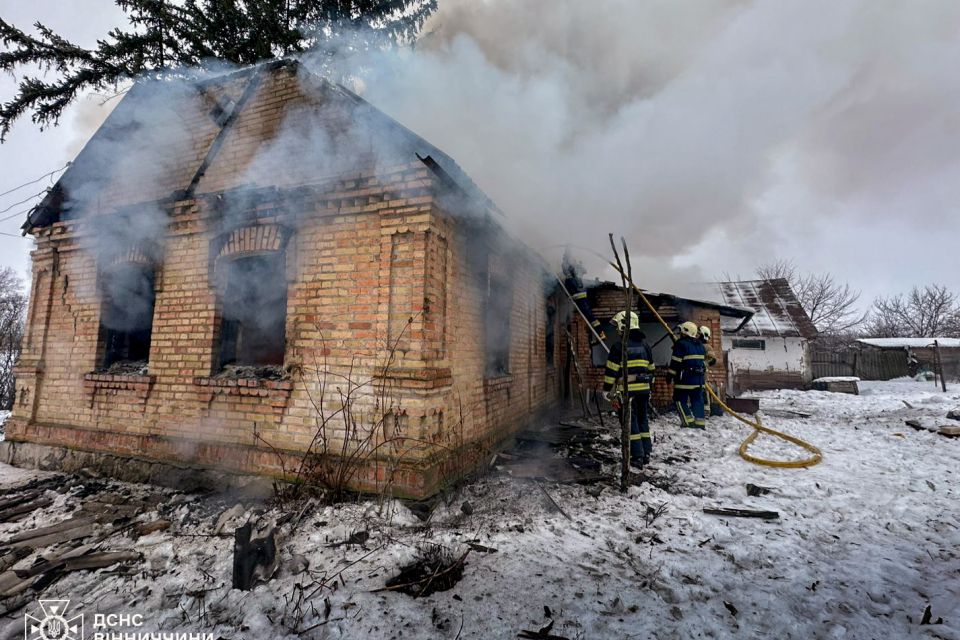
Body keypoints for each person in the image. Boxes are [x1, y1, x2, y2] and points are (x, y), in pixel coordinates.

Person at [603, 311, 656, 467]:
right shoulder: (645, 345)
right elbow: (652, 369)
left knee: (629, 423)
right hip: (644, 391)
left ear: (623, 325)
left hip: (628, 392)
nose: (617, 331)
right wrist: (649, 388)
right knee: (642, 421)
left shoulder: (619, 346)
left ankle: (636, 456)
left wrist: (606, 390)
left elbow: (611, 371)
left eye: (618, 327)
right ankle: (646, 453)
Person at [562, 251, 605, 345]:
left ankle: (600, 333)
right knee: (590, 316)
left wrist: (571, 297)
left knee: (589, 316)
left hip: (580, 299)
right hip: (582, 298)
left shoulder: (570, 278)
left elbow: (579, 272)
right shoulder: (575, 275)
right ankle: (600, 333)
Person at [670, 321, 707, 429]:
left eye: (681, 331)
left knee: (679, 399)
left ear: (685, 332)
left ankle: (687, 422)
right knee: (697, 401)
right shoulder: (700, 345)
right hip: (699, 380)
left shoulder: (680, 344)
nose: (680, 333)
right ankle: (700, 423)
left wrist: (670, 375)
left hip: (685, 380)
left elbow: (675, 362)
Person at [699, 325, 718, 417]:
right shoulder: (695, 345)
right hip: (693, 373)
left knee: (703, 391)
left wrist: (703, 364)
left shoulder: (707, 347)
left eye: (699, 334)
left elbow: (713, 360)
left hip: (702, 373)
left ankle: (706, 410)